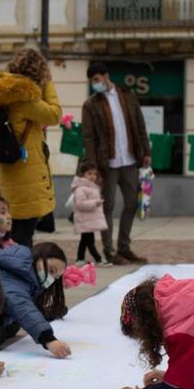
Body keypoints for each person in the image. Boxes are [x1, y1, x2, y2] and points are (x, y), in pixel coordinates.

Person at [0, 49, 62, 247]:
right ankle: (19, 276)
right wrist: (49, 83)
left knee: (15, 235)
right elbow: (54, 115)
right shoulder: (24, 97)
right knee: (23, 239)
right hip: (28, 175)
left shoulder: (3, 95)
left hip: (11, 173)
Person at [81, 62, 151, 265]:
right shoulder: (91, 105)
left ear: (106, 75)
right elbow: (89, 138)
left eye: (96, 79)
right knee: (107, 207)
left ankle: (124, 247)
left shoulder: (127, 96)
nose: (95, 84)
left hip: (130, 160)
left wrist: (146, 151)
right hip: (107, 164)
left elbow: (140, 125)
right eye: (92, 81)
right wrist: (93, 166)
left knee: (131, 204)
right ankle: (110, 251)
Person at [0, 243, 73, 359]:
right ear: (37, 258)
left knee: (12, 326)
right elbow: (21, 305)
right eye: (51, 271)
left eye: (56, 277)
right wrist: (49, 340)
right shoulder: (9, 275)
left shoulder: (25, 276)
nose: (51, 278)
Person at [70, 160, 107, 266]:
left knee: (85, 240)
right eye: (89, 173)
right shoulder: (81, 188)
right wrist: (96, 203)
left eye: (94, 174)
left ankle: (80, 258)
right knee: (89, 242)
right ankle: (98, 259)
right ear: (83, 174)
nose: (92, 176)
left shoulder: (91, 187)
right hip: (84, 219)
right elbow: (80, 203)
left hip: (88, 219)